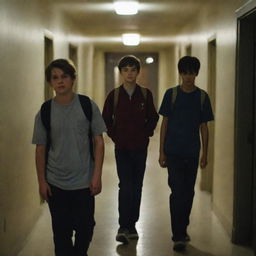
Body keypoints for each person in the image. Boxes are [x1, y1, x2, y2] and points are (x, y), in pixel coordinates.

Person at [32, 59, 106, 256]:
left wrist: (96, 176)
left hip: (84, 181)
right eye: (55, 78)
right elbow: (40, 149)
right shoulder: (45, 112)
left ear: (73, 79)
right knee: (61, 233)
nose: (60, 81)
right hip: (56, 182)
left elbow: (99, 142)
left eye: (64, 76)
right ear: (50, 83)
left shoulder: (87, 105)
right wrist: (41, 182)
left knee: (85, 227)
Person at [158, 56, 214, 252]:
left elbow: (204, 127)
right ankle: (178, 234)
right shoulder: (171, 95)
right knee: (177, 192)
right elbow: (164, 124)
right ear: (180, 73)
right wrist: (161, 151)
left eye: (191, 72)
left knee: (188, 192)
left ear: (196, 73)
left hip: (191, 152)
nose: (188, 77)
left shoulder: (202, 97)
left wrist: (205, 153)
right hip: (173, 151)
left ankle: (182, 227)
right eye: (184, 72)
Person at [102, 55, 159, 243]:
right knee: (125, 186)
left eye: (133, 69)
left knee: (137, 186)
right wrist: (115, 136)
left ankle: (132, 225)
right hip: (122, 149)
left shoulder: (145, 94)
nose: (129, 73)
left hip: (140, 148)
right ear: (121, 72)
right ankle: (122, 226)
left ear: (138, 72)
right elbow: (106, 119)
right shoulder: (115, 95)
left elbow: (153, 117)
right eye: (125, 70)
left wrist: (146, 134)